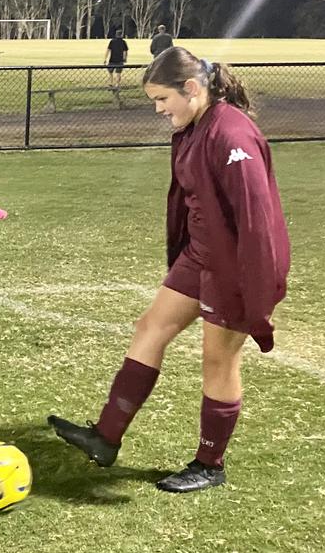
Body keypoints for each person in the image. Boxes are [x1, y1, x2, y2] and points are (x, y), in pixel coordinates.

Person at [48, 47, 290, 493]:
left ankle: (209, 464)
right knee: (149, 328)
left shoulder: (233, 135)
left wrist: (256, 293)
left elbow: (258, 221)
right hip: (200, 256)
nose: (159, 109)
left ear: (192, 89)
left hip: (232, 267)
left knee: (218, 360)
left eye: (162, 99)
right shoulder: (193, 125)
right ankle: (105, 437)